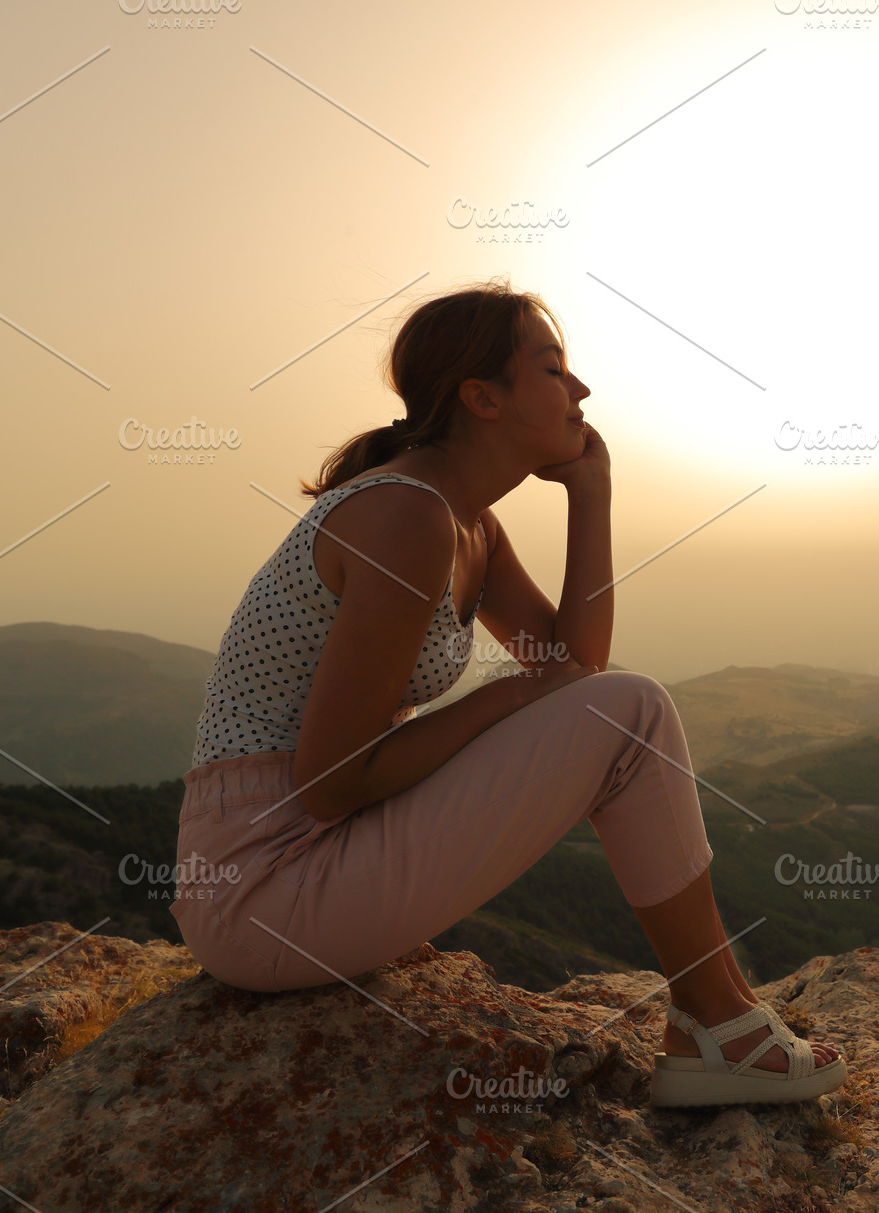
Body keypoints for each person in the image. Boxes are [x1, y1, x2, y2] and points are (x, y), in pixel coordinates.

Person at [167, 279, 844, 1106]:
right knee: (633, 710)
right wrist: (506, 698)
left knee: (626, 707)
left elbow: (574, 663)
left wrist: (591, 494)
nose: (581, 390)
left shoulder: (467, 525)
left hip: (312, 857)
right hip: (262, 889)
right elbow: (330, 779)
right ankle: (717, 1024)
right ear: (482, 398)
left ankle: (715, 1017)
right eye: (554, 368)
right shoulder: (404, 517)